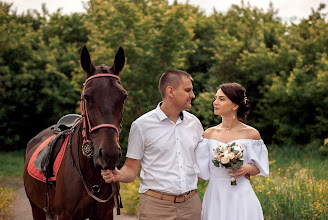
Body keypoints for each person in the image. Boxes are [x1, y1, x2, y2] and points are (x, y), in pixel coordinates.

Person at [102, 69, 204, 220]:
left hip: (191, 206)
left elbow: (202, 165)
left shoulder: (195, 123)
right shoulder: (141, 126)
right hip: (156, 207)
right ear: (171, 91)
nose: (192, 95)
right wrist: (119, 175)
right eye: (188, 90)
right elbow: (131, 168)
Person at [195, 82, 269, 220]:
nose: (215, 102)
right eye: (216, 98)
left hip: (241, 194)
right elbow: (199, 171)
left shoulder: (251, 134)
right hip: (215, 194)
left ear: (235, 105)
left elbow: (260, 167)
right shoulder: (208, 134)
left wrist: (248, 168)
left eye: (221, 99)